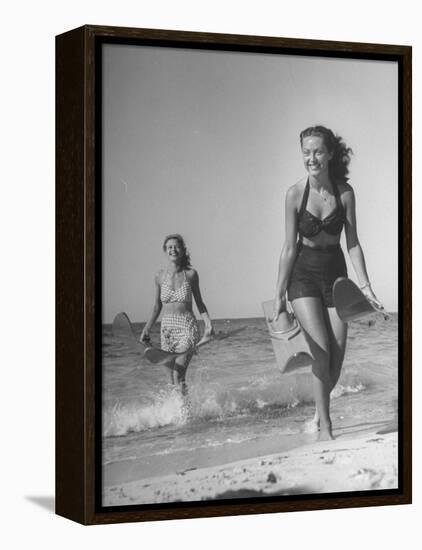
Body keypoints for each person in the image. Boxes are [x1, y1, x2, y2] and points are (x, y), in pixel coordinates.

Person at [274, 125, 383, 441]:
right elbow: (289, 247)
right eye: (306, 152)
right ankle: (326, 426)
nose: (311, 158)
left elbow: (353, 243)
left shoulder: (344, 192)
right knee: (320, 354)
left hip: (336, 278)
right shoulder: (295, 194)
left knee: (334, 364)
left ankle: (316, 413)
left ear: (330, 153)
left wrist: (365, 286)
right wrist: (279, 294)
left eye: (318, 151)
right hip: (303, 276)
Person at [140, 234, 214, 395]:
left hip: (187, 327)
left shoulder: (191, 275)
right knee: (171, 380)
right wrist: (146, 329)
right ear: (165, 251)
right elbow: (157, 306)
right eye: (169, 247)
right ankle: (181, 413)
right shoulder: (159, 277)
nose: (173, 249)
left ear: (182, 250)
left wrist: (208, 323)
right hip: (167, 330)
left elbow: (200, 302)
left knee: (178, 374)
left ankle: (184, 418)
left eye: (176, 246)